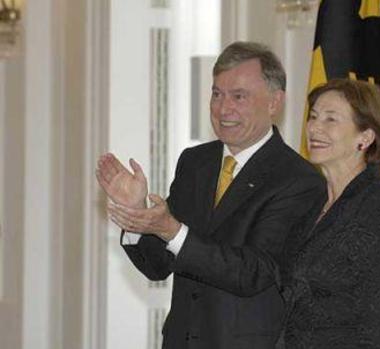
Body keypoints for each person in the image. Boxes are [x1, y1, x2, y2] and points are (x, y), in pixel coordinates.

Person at [96, 41, 326, 349]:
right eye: (216, 94)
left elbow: (252, 272)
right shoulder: (195, 162)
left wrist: (170, 229)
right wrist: (137, 215)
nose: (223, 108)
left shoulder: (298, 179)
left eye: (238, 96)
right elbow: (158, 266)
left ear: (274, 102)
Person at [278, 79, 380, 349]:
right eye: (313, 116)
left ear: (365, 137)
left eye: (331, 119)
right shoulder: (310, 204)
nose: (314, 127)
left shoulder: (379, 205)